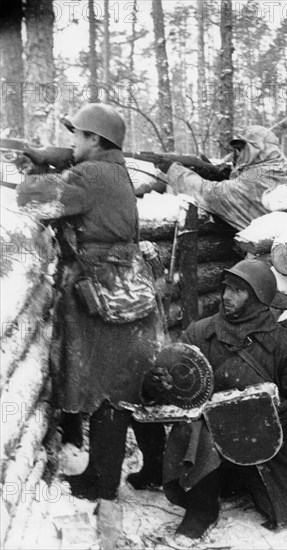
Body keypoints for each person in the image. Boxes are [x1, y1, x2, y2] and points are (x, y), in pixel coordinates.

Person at [17, 103, 166, 501]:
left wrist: (37, 167)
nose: (72, 142)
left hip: (101, 293)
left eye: (77, 136)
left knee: (107, 391)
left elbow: (33, 202)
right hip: (125, 287)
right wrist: (59, 161)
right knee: (134, 383)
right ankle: (154, 469)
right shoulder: (114, 171)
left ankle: (101, 482)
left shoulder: (93, 173)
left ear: (95, 140)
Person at [144, 259, 287, 547]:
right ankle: (201, 509)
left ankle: (252, 488)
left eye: (238, 291)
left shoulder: (284, 343)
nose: (227, 296)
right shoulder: (200, 333)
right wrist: (159, 385)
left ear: (257, 299)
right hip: (209, 454)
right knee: (198, 423)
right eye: (226, 288)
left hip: (262, 449)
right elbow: (178, 388)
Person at [155, 126, 287, 231]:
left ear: (257, 149)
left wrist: (173, 170)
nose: (238, 155)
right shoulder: (279, 171)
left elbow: (209, 194)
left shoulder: (254, 181)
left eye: (242, 149)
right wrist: (225, 175)